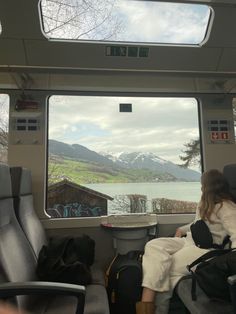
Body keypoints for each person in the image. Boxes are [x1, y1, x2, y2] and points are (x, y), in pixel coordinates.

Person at [136, 169, 236, 314]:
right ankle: (147, 301)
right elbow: (198, 223)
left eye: (202, 184)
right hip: (190, 240)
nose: (201, 187)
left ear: (209, 186)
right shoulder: (205, 202)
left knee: (166, 269)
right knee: (153, 245)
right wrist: (182, 230)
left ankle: (150, 307)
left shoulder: (226, 207)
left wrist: (228, 263)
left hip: (207, 250)